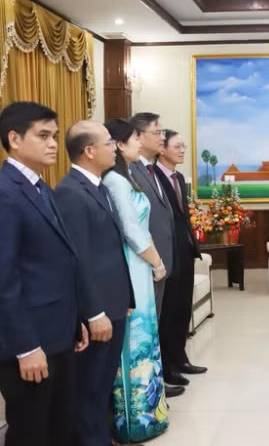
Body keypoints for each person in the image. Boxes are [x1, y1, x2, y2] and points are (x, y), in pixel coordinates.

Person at [0, 101, 88, 446]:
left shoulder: (40, 187)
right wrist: (25, 347)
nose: (53, 143)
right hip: (29, 343)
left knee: (60, 425)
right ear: (14, 139)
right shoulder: (6, 194)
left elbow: (54, 264)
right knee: (31, 432)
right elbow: (4, 279)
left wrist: (74, 318)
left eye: (54, 135)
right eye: (43, 135)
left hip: (58, 332)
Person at [54, 121, 135, 446]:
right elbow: (79, 260)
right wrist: (93, 313)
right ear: (89, 151)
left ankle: (103, 437)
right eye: (108, 143)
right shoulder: (70, 193)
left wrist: (125, 297)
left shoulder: (96, 186)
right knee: (90, 387)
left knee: (102, 385)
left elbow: (110, 250)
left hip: (112, 303)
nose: (114, 148)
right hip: (97, 309)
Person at [103, 118, 173, 443]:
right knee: (135, 340)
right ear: (119, 144)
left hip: (140, 265)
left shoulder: (126, 176)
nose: (137, 144)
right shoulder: (115, 181)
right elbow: (131, 231)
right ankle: (134, 421)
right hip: (132, 264)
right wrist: (157, 262)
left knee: (146, 334)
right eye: (133, 138)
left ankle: (150, 410)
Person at [127, 112, 183, 396]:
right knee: (148, 329)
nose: (162, 137)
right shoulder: (130, 170)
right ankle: (150, 388)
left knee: (158, 324)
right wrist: (156, 259)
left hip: (163, 260)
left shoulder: (149, 168)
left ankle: (156, 383)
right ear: (138, 136)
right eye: (157, 132)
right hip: (148, 262)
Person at [154, 129, 207, 383]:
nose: (183, 150)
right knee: (170, 310)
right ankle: (168, 366)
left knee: (183, 307)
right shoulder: (154, 177)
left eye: (184, 145)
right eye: (178, 145)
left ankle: (181, 357)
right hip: (167, 252)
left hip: (184, 250)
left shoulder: (178, 177)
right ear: (161, 149)